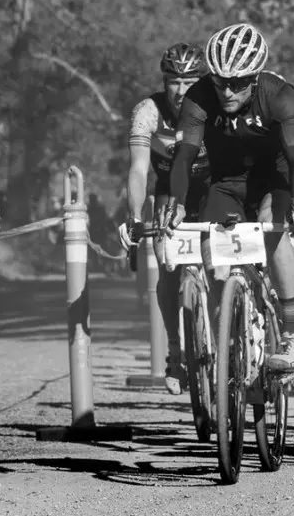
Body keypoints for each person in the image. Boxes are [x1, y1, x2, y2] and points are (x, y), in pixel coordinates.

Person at [158, 22, 294, 373]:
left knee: (270, 228)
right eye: (220, 82)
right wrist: (178, 201)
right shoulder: (199, 97)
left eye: (238, 83)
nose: (228, 92)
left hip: (273, 178)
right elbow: (183, 156)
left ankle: (292, 333)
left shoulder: (279, 94)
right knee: (216, 260)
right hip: (226, 182)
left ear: (255, 78)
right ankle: (226, 332)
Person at [117, 42, 211, 394]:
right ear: (164, 81)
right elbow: (139, 170)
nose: (181, 90)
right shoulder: (148, 111)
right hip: (170, 193)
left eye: (189, 81)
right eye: (174, 81)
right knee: (167, 265)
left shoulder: (211, 108)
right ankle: (175, 350)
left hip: (214, 189)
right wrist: (134, 216)